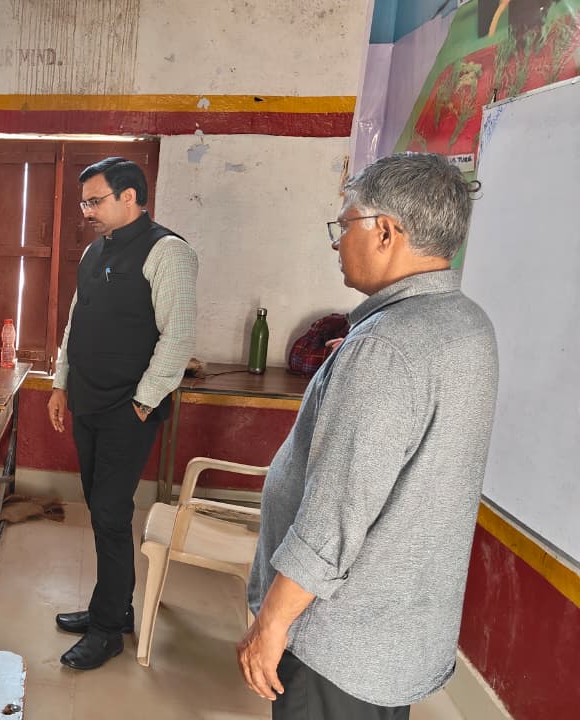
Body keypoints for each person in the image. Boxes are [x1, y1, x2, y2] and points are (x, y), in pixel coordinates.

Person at [238, 153, 496, 719]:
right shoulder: (465, 322)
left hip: (337, 639)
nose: (337, 242)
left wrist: (271, 624)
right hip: (395, 630)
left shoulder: (386, 347)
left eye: (345, 224)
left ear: (385, 232)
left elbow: (333, 517)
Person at [46, 157, 198, 670]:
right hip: (87, 399)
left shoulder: (167, 252)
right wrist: (60, 383)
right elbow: (76, 322)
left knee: (110, 512)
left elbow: (178, 336)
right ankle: (113, 607)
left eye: (95, 200)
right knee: (100, 507)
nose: (86, 210)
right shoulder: (96, 251)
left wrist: (142, 403)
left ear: (129, 197)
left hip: (127, 408)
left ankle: (108, 629)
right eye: (84, 202)